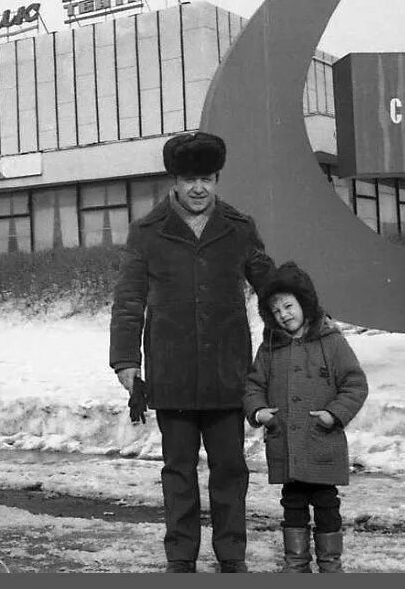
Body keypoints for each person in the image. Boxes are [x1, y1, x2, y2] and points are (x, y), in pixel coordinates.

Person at [110, 131, 276, 573]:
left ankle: (232, 555)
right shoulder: (146, 232)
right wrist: (127, 362)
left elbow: (269, 286)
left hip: (227, 373)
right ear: (175, 182)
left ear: (217, 178)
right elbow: (128, 300)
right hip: (172, 374)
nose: (198, 188)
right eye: (189, 180)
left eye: (206, 178)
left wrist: (305, 316)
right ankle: (181, 557)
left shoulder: (240, 228)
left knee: (230, 471)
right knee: (178, 472)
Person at [243, 261, 368, 573]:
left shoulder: (331, 341)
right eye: (276, 310)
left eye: (289, 305)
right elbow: (253, 385)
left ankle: (329, 564)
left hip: (321, 441)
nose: (284, 314)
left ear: (304, 304)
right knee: (293, 504)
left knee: (326, 503)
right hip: (285, 443)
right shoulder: (270, 348)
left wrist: (333, 414)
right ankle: (296, 564)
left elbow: (355, 384)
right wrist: (259, 412)